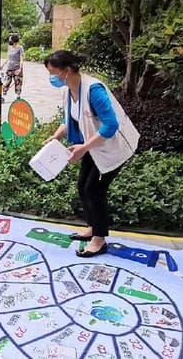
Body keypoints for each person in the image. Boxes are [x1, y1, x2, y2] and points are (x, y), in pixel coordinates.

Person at [42, 50, 139, 258]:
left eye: (53, 72)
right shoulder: (68, 90)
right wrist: (55, 137)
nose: (51, 77)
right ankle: (93, 227)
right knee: (83, 187)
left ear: (66, 71)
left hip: (111, 148)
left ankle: (99, 240)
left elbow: (111, 124)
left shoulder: (93, 90)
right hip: (92, 146)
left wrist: (84, 148)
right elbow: (68, 120)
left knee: (94, 190)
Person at [1, 34, 25, 100]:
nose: (9, 40)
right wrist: (3, 65)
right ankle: (3, 96)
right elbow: (8, 58)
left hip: (17, 69)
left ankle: (17, 97)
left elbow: (21, 59)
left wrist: (20, 68)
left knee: (18, 83)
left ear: (14, 40)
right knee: (6, 83)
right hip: (9, 68)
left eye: (10, 39)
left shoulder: (20, 48)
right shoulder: (9, 47)